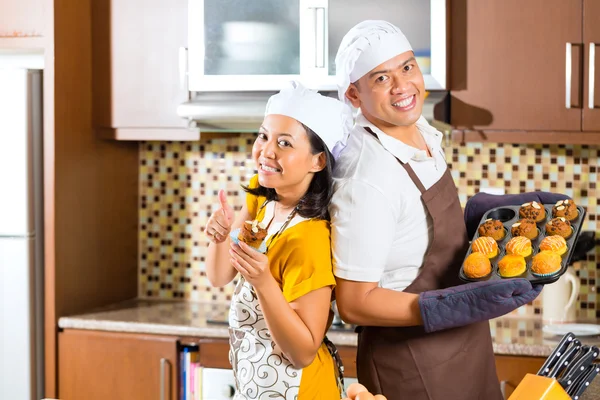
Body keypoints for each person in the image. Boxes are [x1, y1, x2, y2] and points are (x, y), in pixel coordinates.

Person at [330, 21, 542, 399]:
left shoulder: (415, 128)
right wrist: (445, 308)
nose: (402, 87)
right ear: (354, 94)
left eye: (407, 67)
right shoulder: (366, 177)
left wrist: (479, 218)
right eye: (381, 78)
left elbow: (414, 238)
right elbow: (354, 303)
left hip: (465, 344)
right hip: (412, 364)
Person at [204, 81, 352, 399]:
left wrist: (263, 280)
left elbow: (303, 352)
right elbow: (219, 276)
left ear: (318, 161)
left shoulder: (307, 238)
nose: (266, 151)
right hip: (258, 382)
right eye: (264, 136)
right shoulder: (264, 198)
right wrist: (220, 235)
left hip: (302, 390)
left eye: (284, 143)